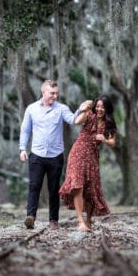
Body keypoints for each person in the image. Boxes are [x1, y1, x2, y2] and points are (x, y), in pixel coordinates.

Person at [19, 79, 90, 230]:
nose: (55, 96)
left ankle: (53, 221)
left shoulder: (61, 108)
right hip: (37, 155)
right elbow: (25, 130)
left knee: (53, 189)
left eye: (56, 93)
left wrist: (82, 109)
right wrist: (23, 149)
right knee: (34, 186)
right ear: (43, 92)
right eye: (52, 93)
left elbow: (72, 120)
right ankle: (30, 217)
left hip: (55, 156)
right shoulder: (31, 109)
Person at [59, 95, 117, 232]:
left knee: (91, 189)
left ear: (107, 108)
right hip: (78, 153)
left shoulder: (109, 124)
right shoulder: (89, 115)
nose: (99, 109)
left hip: (92, 157)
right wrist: (84, 108)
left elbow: (113, 142)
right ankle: (80, 222)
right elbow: (77, 121)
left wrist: (104, 139)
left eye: (103, 107)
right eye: (98, 106)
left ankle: (88, 220)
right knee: (77, 185)